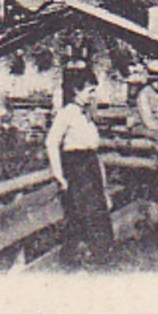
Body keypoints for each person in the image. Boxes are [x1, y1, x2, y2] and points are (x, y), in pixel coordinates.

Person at [44, 64, 115, 264]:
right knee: (85, 215)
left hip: (90, 166)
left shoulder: (86, 114)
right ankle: (83, 260)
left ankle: (101, 260)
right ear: (76, 90)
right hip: (77, 168)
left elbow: (94, 149)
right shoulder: (67, 113)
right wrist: (59, 175)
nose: (93, 95)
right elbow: (51, 142)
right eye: (90, 90)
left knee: (98, 214)